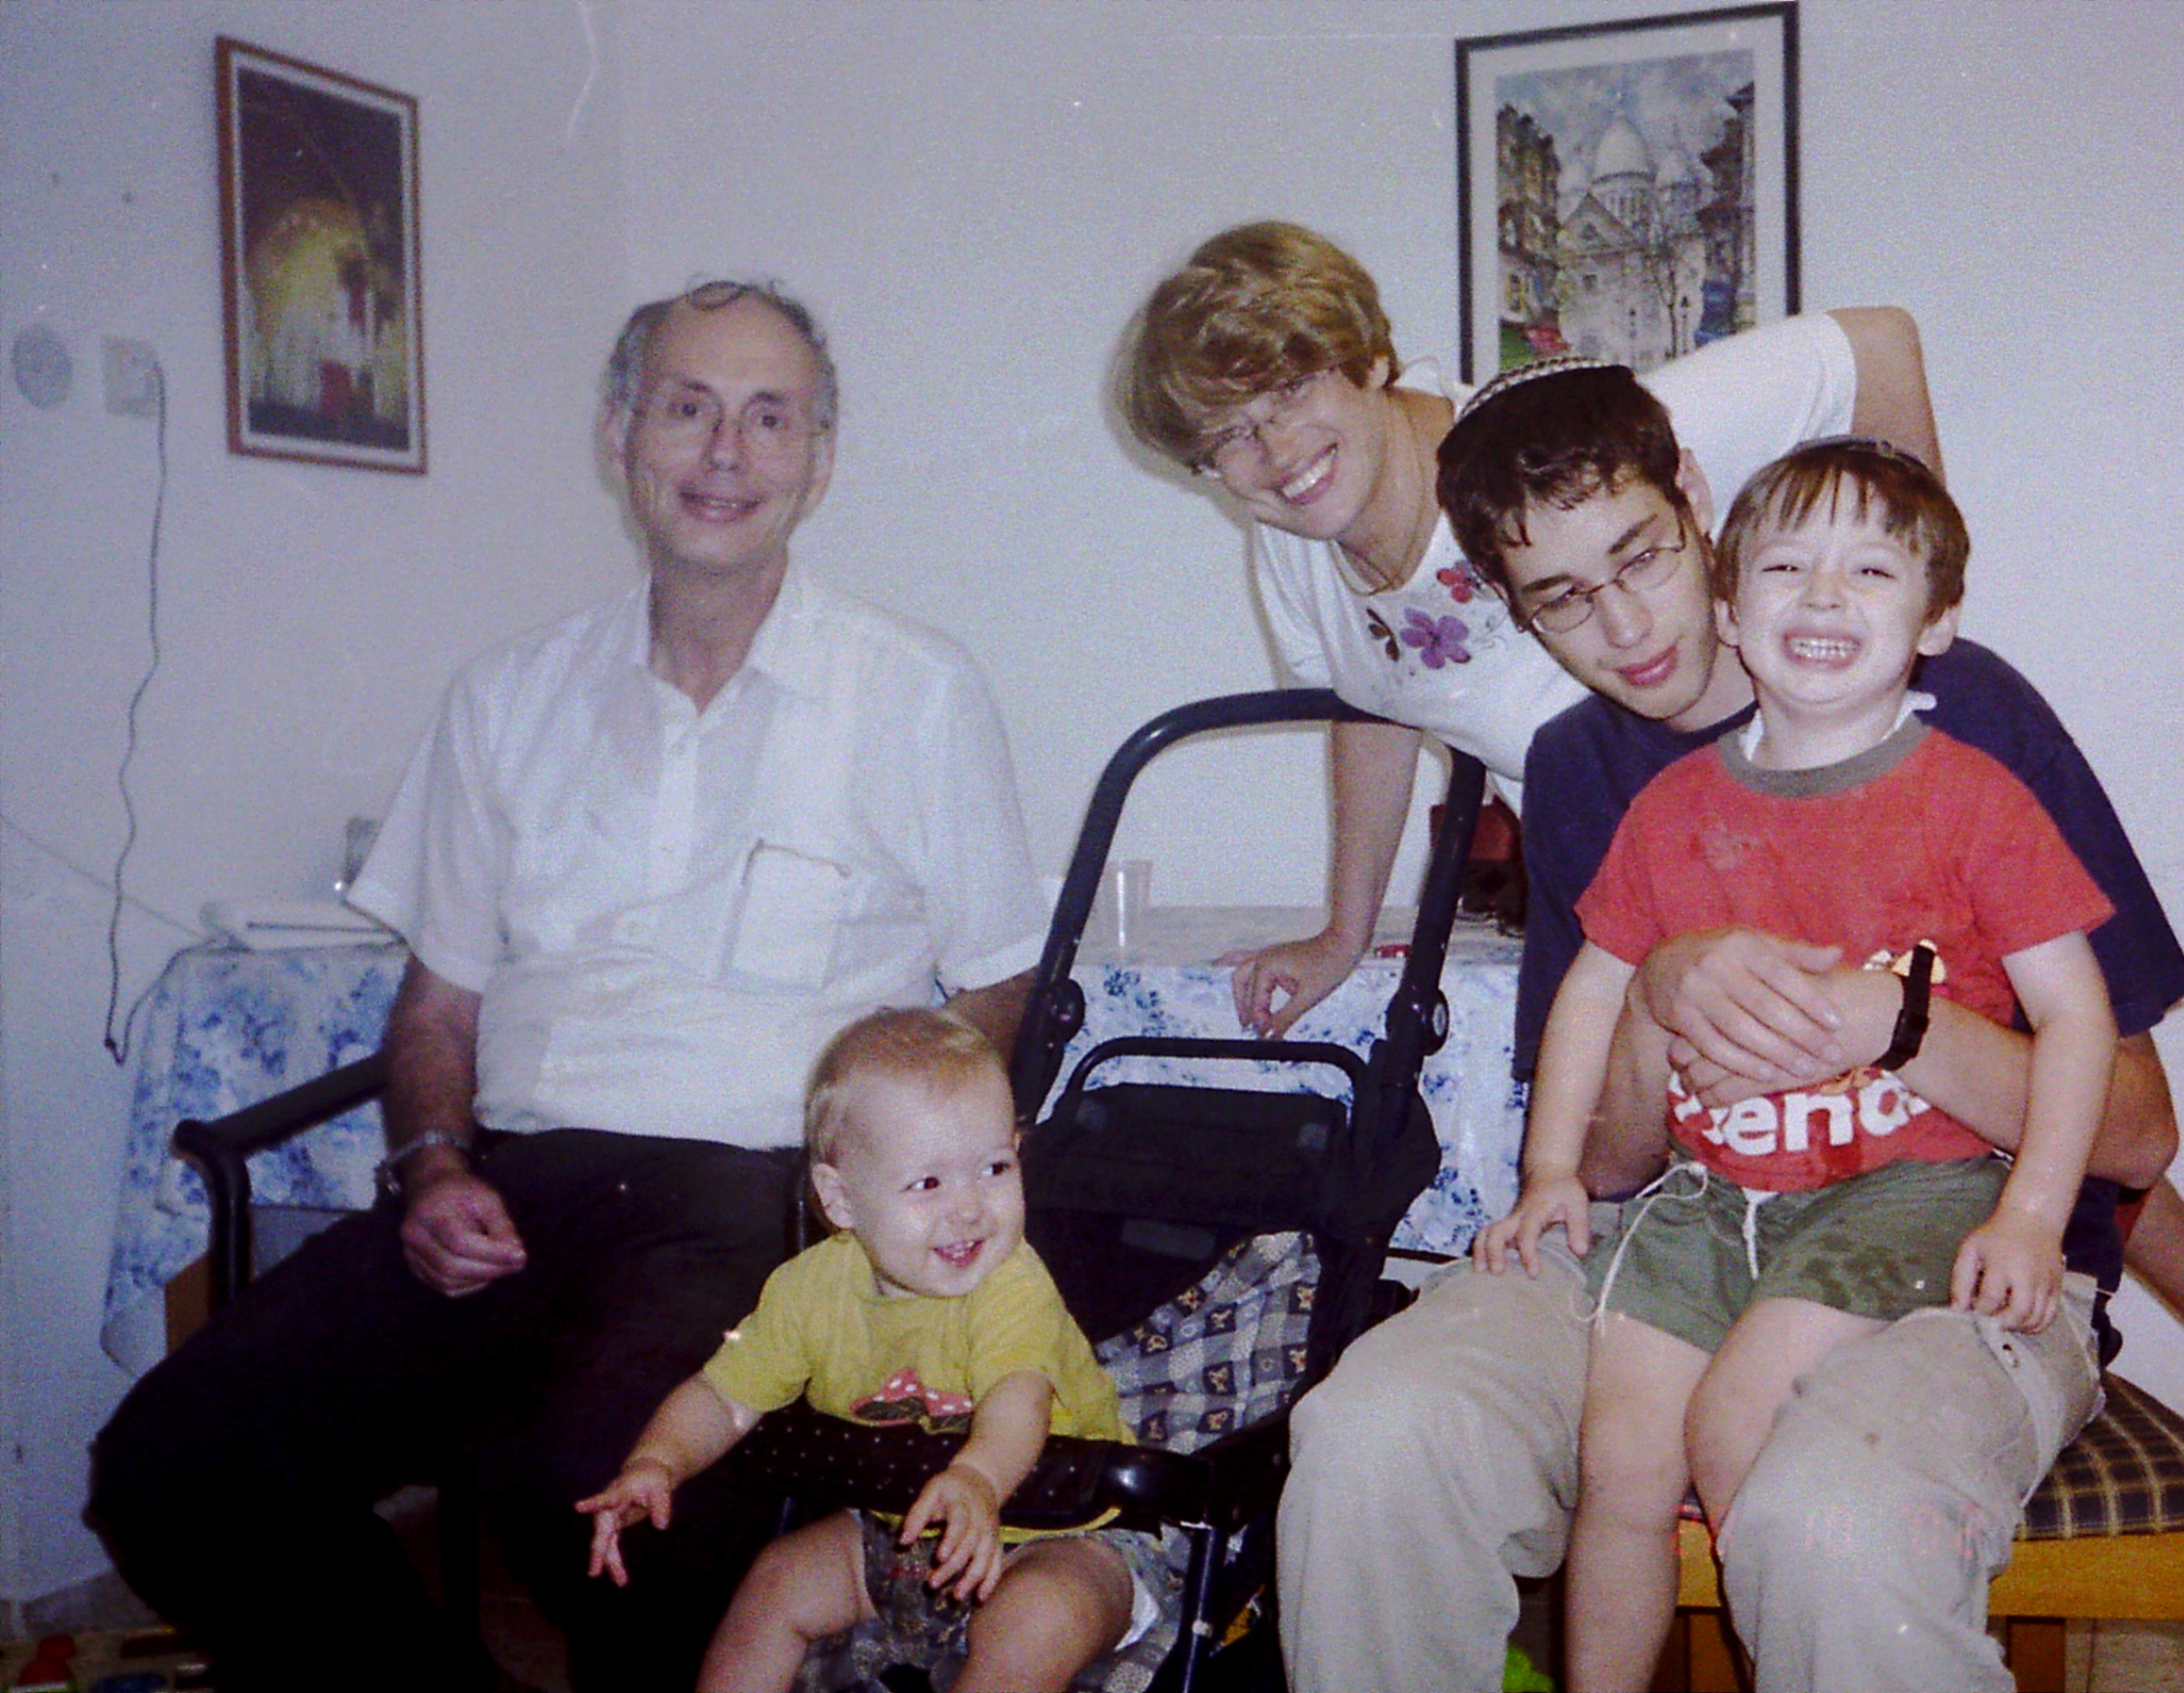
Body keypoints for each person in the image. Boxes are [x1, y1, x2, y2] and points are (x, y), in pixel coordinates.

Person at [1275, 351, 2184, 1692]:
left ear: (1697, 498)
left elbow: (2139, 1135)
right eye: (1562, 599)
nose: (1625, 628)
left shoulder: (1959, 714)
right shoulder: (1579, 770)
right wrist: (1661, 996)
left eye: (1641, 556)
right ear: (1515, 610)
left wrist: (1894, 1024)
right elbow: (1610, 1164)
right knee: (1370, 1439)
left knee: (1831, 1522)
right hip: (1681, 1229)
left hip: (1947, 1239)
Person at [88, 280, 1048, 1692]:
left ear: (820, 460)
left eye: (768, 418)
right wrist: (430, 1167)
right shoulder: (507, 698)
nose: (724, 452)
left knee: (591, 1481)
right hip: (521, 1187)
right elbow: (439, 1005)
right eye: (687, 408)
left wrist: (884, 1186)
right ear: (619, 435)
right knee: (176, 1464)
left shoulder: (915, 690)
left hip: (765, 1198)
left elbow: (1006, 986)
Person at [1478, 427, 2120, 1690]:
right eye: (1785, 568)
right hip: (1710, 1202)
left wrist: (2035, 1215)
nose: (1823, 598)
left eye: (1871, 572)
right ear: (1731, 607)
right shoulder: (1671, 808)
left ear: (1937, 621)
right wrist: (1551, 1170)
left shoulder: (1975, 799)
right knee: (1622, 1466)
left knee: (1738, 1424)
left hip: (1907, 1194)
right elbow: (1593, 990)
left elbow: (2080, 1022)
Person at [1118, 221, 1943, 1040]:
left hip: (1823, 886)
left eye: (1293, 391)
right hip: (1624, 930)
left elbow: (1877, 347)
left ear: (1368, 360)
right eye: (1230, 435)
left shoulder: (1549, 456)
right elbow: (1375, 702)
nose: (1276, 450)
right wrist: (1345, 935)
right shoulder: (1294, 545)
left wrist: (1915, 615)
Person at [579, 1009, 1162, 1693]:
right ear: (841, 1199)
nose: (970, 1208)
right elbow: (725, 1395)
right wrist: (659, 1460)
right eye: (928, 1183)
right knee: (776, 1582)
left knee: (1032, 1620)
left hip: (1070, 1530)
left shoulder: (1011, 1283)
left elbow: (1018, 1402)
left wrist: (978, 1480)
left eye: (994, 1167)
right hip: (902, 1530)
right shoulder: (809, 1290)